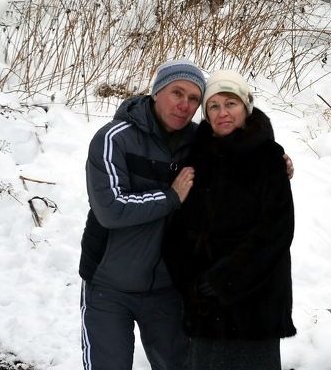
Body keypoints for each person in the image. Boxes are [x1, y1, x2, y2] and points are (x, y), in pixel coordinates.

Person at [78, 59, 292, 370]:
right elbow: (111, 209)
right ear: (155, 93)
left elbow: (240, 144)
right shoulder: (114, 138)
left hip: (165, 288)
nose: (184, 105)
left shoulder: (197, 141)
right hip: (110, 283)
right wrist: (171, 197)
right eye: (177, 93)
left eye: (194, 99)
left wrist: (277, 158)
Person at [165, 69, 296, 370]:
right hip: (204, 304)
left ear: (246, 107)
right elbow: (178, 228)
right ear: (206, 114)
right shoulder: (194, 157)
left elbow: (276, 231)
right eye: (214, 106)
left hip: (255, 301)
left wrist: (226, 279)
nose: (223, 112)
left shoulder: (268, 157)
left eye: (231, 104)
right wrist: (191, 284)